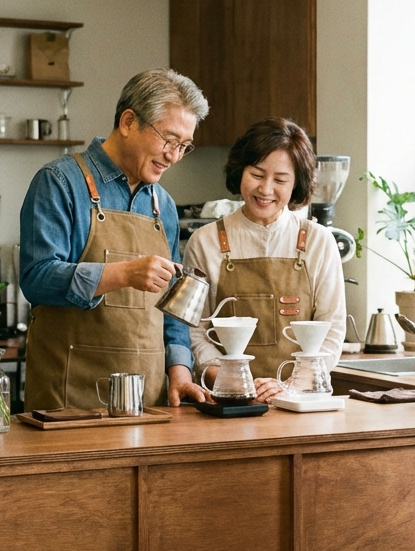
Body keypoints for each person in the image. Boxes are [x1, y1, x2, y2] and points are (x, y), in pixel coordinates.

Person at [20, 68, 211, 411]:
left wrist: (180, 373)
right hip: (68, 399)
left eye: (184, 146)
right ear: (128, 122)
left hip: (148, 402)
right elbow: (37, 278)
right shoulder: (60, 182)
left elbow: (174, 308)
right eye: (168, 140)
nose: (173, 156)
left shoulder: (164, 205)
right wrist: (124, 273)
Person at [182, 117, 346, 401]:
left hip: (300, 401)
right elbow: (193, 333)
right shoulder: (205, 241)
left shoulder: (319, 242)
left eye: (280, 180)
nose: (266, 189)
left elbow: (331, 330)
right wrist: (232, 381)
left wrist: (290, 385)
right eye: (257, 175)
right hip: (229, 401)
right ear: (240, 171)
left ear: (296, 184)